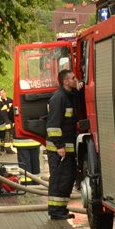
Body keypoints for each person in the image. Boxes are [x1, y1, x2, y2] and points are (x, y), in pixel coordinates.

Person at [45, 69, 81, 220]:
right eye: (73, 78)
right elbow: (53, 126)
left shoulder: (68, 96)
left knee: (67, 178)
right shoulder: (59, 98)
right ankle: (55, 211)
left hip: (66, 148)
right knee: (59, 179)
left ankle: (61, 209)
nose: (76, 79)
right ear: (65, 82)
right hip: (59, 149)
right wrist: (59, 146)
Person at [0, 87, 15, 152]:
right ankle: (4, 148)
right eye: (0, 93)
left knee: (10, 135)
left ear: (5, 93)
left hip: (10, 119)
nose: (2, 94)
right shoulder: (0, 102)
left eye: (3, 93)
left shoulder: (10, 100)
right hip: (4, 121)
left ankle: (10, 146)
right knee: (5, 135)